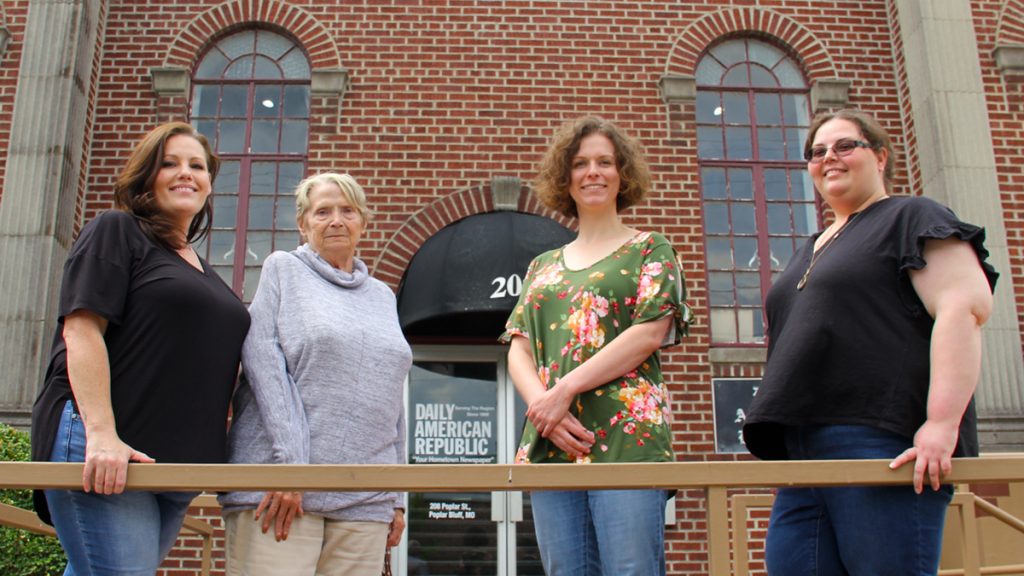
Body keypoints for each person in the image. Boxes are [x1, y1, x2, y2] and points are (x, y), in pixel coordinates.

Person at [743, 109, 998, 576]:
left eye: (844, 146)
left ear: (879, 157)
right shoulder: (812, 245)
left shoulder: (911, 215)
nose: (829, 158)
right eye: (817, 152)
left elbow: (965, 306)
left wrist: (942, 424)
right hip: (802, 456)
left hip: (879, 442)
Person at [30, 122, 250, 574]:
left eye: (197, 165)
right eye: (169, 163)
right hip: (111, 453)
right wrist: (102, 434)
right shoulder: (117, 231)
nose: (185, 173)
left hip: (173, 467)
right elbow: (81, 330)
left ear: (210, 182)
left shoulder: (202, 270)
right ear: (145, 176)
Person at [501, 116, 693, 575]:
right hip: (553, 442)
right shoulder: (541, 267)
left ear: (622, 174)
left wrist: (563, 390)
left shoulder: (651, 249)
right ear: (564, 177)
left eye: (605, 162)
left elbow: (648, 333)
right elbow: (518, 348)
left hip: (629, 439)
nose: (593, 172)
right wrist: (545, 409)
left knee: (630, 570)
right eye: (581, 163)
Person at [219, 172, 411, 575]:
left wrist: (395, 494)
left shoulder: (382, 296)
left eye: (347, 211)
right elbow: (262, 364)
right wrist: (292, 469)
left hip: (364, 498)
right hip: (284, 493)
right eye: (322, 211)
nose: (336, 220)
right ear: (303, 224)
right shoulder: (283, 269)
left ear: (363, 221)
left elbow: (391, 396)